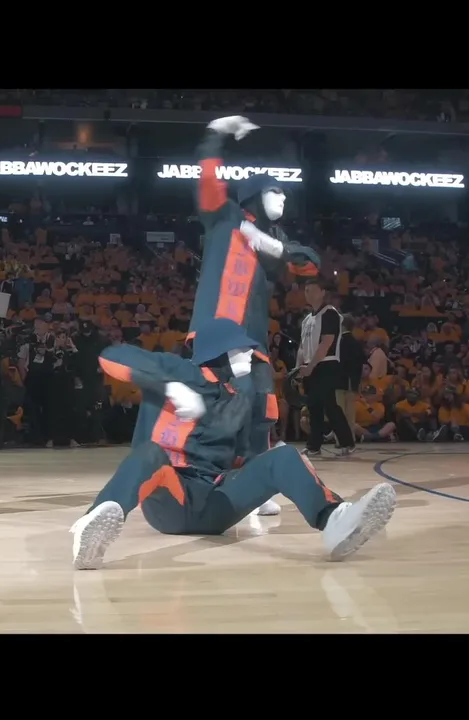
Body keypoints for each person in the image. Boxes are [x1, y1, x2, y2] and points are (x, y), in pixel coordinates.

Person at [68, 317, 396, 570]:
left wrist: (285, 474)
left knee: (283, 456)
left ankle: (335, 520)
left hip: (216, 504)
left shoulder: (240, 398)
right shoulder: (177, 370)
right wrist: (170, 388)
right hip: (172, 497)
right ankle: (91, 529)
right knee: (150, 454)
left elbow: (243, 459)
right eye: (240, 350)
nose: (249, 355)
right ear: (218, 352)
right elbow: (111, 357)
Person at [190, 115, 320, 470]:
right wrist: (216, 133)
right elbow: (208, 176)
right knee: (219, 407)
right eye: (275, 191)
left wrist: (275, 247)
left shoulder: (277, 238)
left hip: (253, 340)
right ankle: (208, 475)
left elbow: (312, 265)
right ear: (254, 196)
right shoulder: (224, 216)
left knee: (263, 408)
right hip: (217, 333)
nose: (282, 198)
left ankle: (255, 475)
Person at [296, 277, 356, 457]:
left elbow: (326, 342)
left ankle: (347, 442)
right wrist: (298, 368)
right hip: (310, 366)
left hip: (326, 364)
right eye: (306, 290)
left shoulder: (329, 313)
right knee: (313, 406)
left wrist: (311, 365)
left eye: (313, 290)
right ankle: (314, 446)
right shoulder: (307, 319)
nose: (309, 294)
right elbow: (302, 347)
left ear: (323, 292)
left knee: (329, 405)